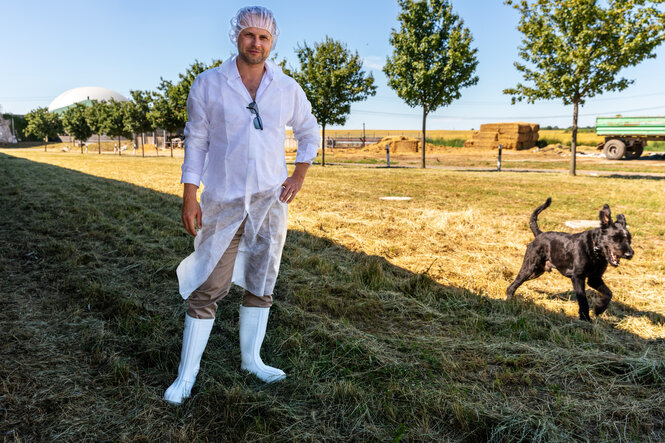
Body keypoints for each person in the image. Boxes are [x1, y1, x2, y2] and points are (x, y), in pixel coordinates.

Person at [164, 6, 320, 405]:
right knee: (209, 285)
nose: (256, 43)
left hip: (271, 201)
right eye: (250, 35)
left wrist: (298, 175)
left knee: (261, 281)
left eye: (264, 37)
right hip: (224, 200)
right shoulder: (209, 85)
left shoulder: (286, 88)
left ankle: (252, 359)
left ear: (273, 42)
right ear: (237, 37)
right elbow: (196, 140)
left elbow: (308, 131)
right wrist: (189, 194)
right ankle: (186, 377)